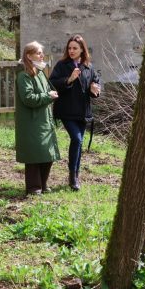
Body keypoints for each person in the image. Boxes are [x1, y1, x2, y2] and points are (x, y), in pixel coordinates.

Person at [49, 34, 101, 190]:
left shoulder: (88, 67)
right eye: (69, 48)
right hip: (66, 111)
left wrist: (95, 90)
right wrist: (69, 79)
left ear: (82, 50)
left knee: (78, 143)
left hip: (83, 113)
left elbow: (96, 84)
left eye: (75, 48)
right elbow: (52, 83)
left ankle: (75, 176)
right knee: (77, 140)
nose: (71, 51)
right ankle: (73, 178)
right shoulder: (62, 65)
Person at [15, 41, 60, 195]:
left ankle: (43, 183)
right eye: (38, 53)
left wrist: (50, 95)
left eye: (42, 53)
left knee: (47, 153)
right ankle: (33, 188)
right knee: (34, 154)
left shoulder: (40, 74)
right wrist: (48, 96)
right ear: (29, 55)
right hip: (31, 121)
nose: (42, 56)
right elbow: (28, 98)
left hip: (44, 119)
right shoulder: (23, 76)